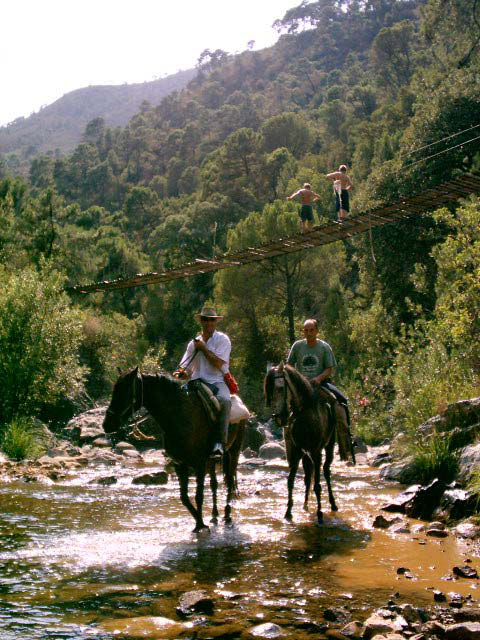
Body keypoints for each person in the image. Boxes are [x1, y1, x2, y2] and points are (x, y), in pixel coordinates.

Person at [175, 307, 231, 459]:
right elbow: (186, 368)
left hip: (216, 381)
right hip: (195, 381)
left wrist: (204, 349)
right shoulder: (193, 344)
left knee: (225, 401)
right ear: (201, 321)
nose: (208, 323)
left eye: (211, 319)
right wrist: (182, 373)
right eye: (205, 319)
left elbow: (218, 364)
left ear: (215, 322)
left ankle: (220, 443)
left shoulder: (223, 340)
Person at [287, 318, 350, 425]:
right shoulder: (297, 346)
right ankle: (286, 435)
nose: (309, 333)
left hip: (321, 384)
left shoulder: (324, 347)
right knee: (284, 403)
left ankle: (346, 436)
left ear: (317, 331)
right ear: (303, 332)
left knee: (341, 400)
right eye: (306, 330)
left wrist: (318, 379)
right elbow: (289, 366)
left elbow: (329, 369)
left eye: (311, 330)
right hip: (301, 386)